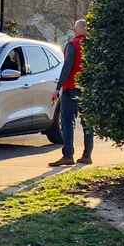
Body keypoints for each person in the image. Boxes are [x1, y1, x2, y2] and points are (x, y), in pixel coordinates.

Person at [49, 20, 94, 167]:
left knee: (67, 120)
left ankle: (68, 155)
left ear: (75, 30)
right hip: (88, 88)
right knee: (87, 121)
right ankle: (87, 155)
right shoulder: (92, 46)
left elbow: (67, 67)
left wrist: (58, 87)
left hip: (71, 87)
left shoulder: (72, 45)